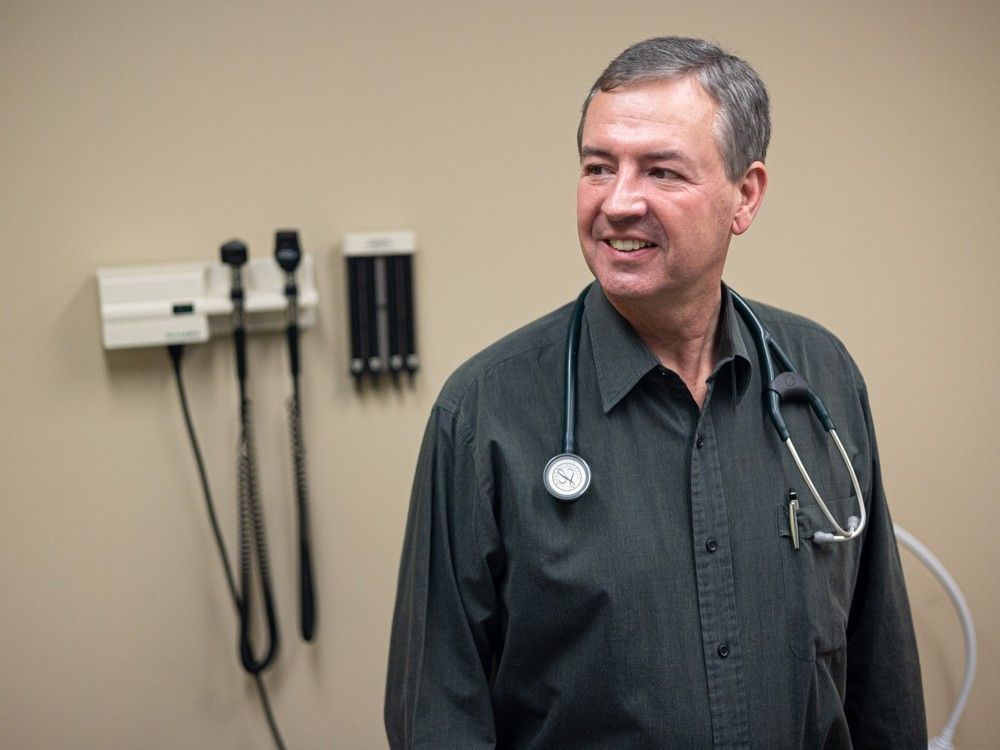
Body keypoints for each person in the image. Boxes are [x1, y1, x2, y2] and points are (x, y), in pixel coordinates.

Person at [385, 36, 926, 749]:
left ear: (746, 195)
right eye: (598, 167)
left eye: (662, 171)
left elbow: (880, 672)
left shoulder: (819, 377)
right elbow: (437, 715)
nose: (617, 202)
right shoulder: (487, 411)